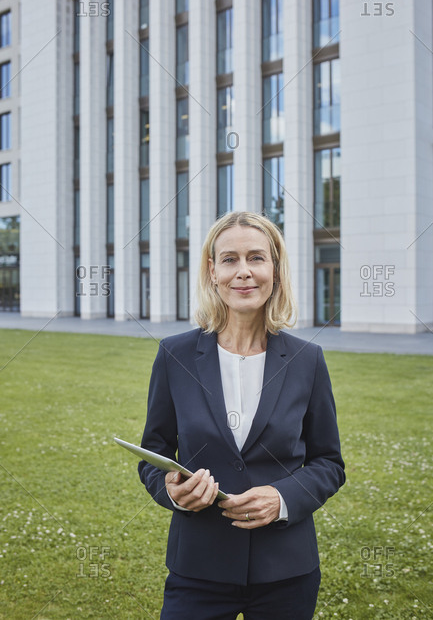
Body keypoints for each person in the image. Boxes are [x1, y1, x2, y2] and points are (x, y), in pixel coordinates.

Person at [138, 211, 345, 620]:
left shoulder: (308, 360)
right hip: (197, 568)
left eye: (256, 258)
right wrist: (171, 490)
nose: (244, 272)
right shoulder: (173, 355)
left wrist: (284, 497)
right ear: (213, 271)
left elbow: (329, 463)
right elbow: (153, 452)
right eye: (230, 259)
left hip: (286, 572)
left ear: (275, 269)